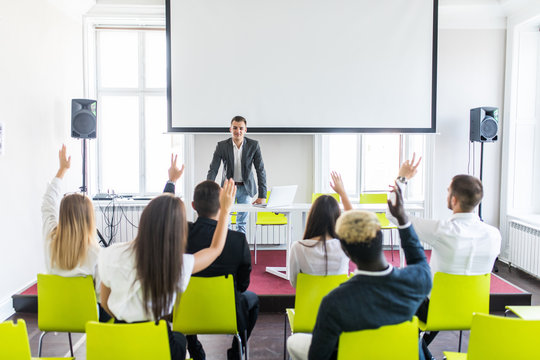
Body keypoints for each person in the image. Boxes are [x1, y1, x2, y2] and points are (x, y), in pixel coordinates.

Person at [99, 155, 236, 360]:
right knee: (179, 337)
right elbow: (215, 249)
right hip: (158, 343)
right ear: (178, 230)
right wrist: (225, 211)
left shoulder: (110, 253)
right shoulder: (177, 265)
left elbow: (105, 303)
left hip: (117, 342)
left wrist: (171, 181)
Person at [287, 183, 432, 360]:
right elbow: (417, 257)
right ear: (381, 239)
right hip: (397, 353)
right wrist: (402, 219)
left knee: (293, 342)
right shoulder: (416, 282)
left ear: (347, 252)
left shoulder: (334, 302)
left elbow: (318, 357)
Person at [393, 154, 501, 359]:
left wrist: (401, 179)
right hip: (474, 310)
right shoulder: (494, 235)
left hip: (435, 309)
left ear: (453, 199)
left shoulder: (442, 231)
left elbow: (394, 213)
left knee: (399, 305)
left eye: (447, 191)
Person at [164, 179, 259, 360]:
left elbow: (163, 214)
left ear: (193, 206)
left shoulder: (180, 234)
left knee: (185, 290)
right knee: (251, 299)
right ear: (224, 203)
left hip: (186, 312)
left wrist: (171, 181)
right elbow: (243, 285)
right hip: (228, 313)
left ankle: (193, 346)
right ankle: (236, 352)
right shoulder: (238, 240)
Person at [42, 145, 108, 321]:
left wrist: (62, 170)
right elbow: (102, 296)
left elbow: (48, 203)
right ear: (88, 218)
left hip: (55, 315)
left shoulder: (50, 238)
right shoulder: (96, 253)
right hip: (88, 317)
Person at [289, 172, 353, 288]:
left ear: (312, 217)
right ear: (337, 218)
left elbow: (294, 283)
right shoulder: (345, 245)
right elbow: (355, 222)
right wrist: (342, 193)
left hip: (308, 305)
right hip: (339, 305)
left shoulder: (297, 247)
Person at [207, 115, 267, 234]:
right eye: (235, 128)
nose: (238, 131)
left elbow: (260, 170)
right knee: (225, 221)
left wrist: (262, 195)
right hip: (228, 188)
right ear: (230, 129)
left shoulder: (253, 145)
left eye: (241, 128)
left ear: (245, 130)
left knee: (242, 223)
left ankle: (240, 251)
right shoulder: (221, 146)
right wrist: (209, 191)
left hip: (246, 189)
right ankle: (227, 249)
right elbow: (213, 169)